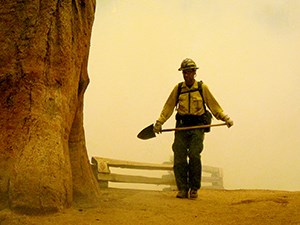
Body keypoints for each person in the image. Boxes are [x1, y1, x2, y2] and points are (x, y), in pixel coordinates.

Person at [153, 58, 233, 199]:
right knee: (179, 157)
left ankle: (194, 188)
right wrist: (159, 122)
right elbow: (168, 107)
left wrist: (225, 118)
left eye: (189, 72)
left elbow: (214, 106)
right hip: (182, 126)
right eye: (184, 72)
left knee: (195, 155)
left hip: (197, 127)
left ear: (194, 72)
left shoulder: (202, 88)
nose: (186, 75)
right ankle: (182, 188)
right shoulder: (178, 89)